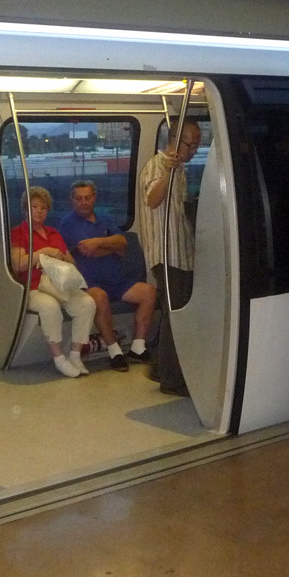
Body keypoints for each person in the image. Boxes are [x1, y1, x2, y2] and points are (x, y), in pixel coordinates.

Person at [58, 180, 157, 373]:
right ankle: (115, 352)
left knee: (149, 292)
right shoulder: (68, 223)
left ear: (94, 198)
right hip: (90, 283)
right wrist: (111, 247)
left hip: (117, 280)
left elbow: (123, 243)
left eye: (88, 198)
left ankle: (138, 347)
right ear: (72, 200)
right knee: (100, 298)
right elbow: (88, 251)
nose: (84, 202)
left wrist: (99, 242)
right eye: (79, 199)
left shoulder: (105, 218)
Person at [137, 119, 201, 395]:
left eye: (198, 143)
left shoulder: (181, 170)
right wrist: (169, 173)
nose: (195, 149)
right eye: (192, 143)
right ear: (176, 139)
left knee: (176, 316)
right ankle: (171, 380)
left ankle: (163, 368)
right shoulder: (158, 165)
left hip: (181, 253)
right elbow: (152, 199)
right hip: (167, 253)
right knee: (177, 318)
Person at [10, 185, 96, 378]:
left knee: (87, 303)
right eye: (34, 207)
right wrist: (43, 253)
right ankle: (58, 358)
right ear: (26, 210)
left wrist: (60, 257)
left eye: (43, 208)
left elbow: (71, 262)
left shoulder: (53, 233)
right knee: (49, 307)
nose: (39, 211)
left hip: (58, 285)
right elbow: (18, 264)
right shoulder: (19, 233)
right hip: (33, 288)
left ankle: (75, 354)